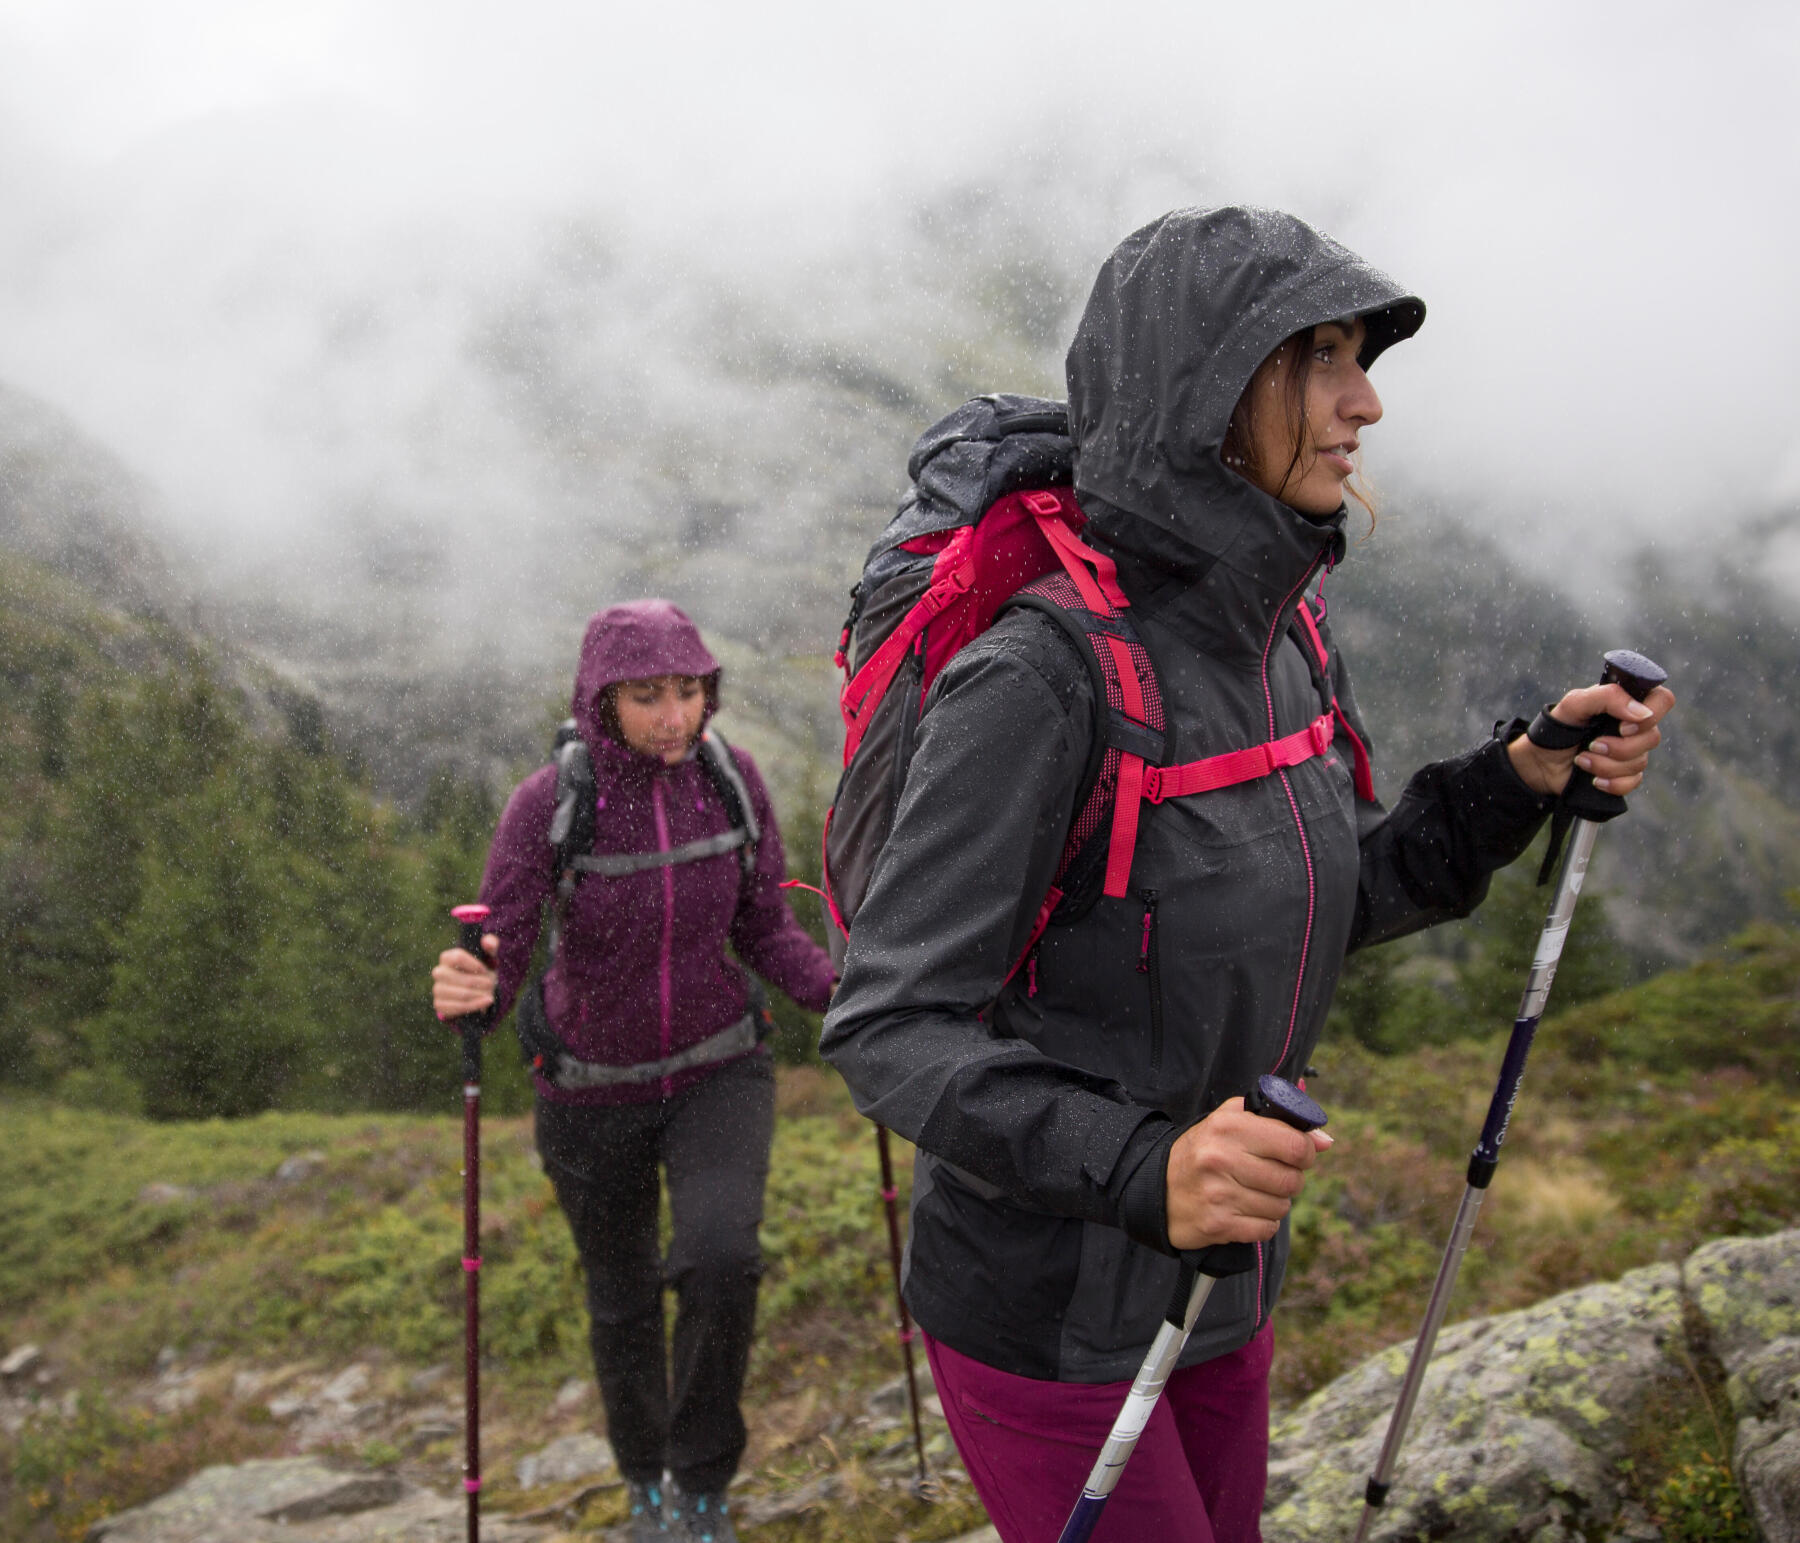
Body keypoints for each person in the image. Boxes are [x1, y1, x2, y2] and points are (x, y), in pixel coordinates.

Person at [819, 207, 1675, 1543]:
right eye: (1320, 357)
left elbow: (1326, 891)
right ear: (1207, 389)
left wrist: (1515, 782)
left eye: (1359, 357)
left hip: (1221, 1274)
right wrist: (1143, 1164)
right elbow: (887, 1024)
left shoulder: (1274, 632)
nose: (1366, 401)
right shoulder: (1039, 677)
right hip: (1046, 1309)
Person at [432, 599, 835, 1543]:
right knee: (619, 1295)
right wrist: (472, 991)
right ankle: (643, 1486)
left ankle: (701, 1484)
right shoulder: (550, 804)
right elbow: (506, 947)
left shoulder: (732, 782)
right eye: (648, 696)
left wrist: (849, 998)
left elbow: (765, 927)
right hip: (587, 1088)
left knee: (722, 1259)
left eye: (689, 692)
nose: (674, 717)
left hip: (718, 1068)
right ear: (601, 699)